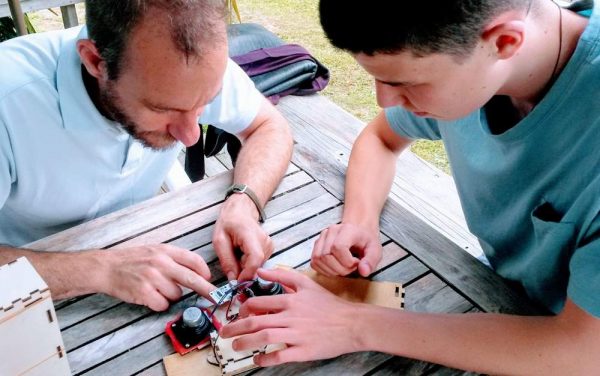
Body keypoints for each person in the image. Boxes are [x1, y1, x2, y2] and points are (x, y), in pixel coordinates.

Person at [221, 0, 600, 373]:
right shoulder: (474, 66)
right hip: (494, 294)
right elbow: (380, 139)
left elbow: (581, 352)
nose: (383, 99)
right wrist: (359, 222)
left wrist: (353, 325)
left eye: (406, 83)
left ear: (503, 42)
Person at [0, 0, 293, 312]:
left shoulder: (188, 67)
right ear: (95, 61)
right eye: (161, 108)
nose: (192, 135)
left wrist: (243, 203)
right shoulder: (9, 100)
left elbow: (269, 126)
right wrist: (101, 270)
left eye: (205, 102)